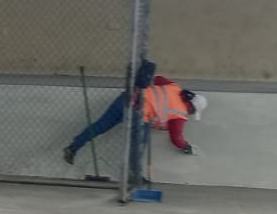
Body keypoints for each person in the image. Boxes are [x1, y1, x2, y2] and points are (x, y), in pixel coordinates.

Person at [64, 61, 203, 172]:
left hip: (127, 99)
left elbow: (156, 78)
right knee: (139, 144)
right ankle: (133, 174)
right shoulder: (180, 114)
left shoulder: (174, 87)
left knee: (100, 126)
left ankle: (73, 147)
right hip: (140, 114)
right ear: (192, 108)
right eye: (193, 112)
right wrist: (187, 147)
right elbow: (176, 139)